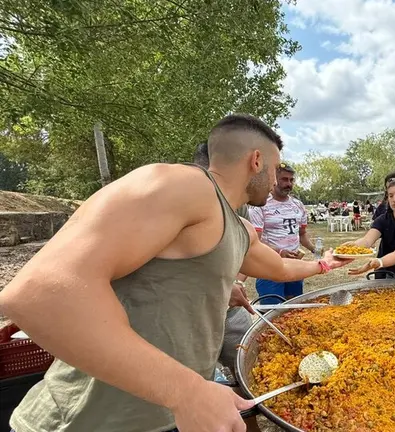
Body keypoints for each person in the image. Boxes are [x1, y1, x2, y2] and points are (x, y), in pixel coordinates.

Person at [0, 114, 352, 432]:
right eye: (275, 169)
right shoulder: (184, 185)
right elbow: (39, 292)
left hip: (165, 417)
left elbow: (279, 266)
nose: (277, 179)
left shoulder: (238, 226)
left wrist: (325, 263)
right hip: (87, 420)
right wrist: (188, 392)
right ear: (256, 161)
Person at [192, 141, 255, 374]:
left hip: (230, 314)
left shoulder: (238, 204)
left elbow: (248, 253)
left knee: (247, 367)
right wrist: (219, 288)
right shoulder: (177, 203)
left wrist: (235, 282)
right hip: (191, 320)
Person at [249, 163, 317, 306]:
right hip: (269, 266)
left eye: (291, 180)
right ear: (274, 179)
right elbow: (255, 240)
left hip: (294, 265)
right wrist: (279, 252)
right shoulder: (261, 204)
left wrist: (314, 249)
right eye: (284, 179)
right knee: (272, 311)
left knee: (294, 309)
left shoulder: (298, 205)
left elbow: (302, 234)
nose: (288, 184)